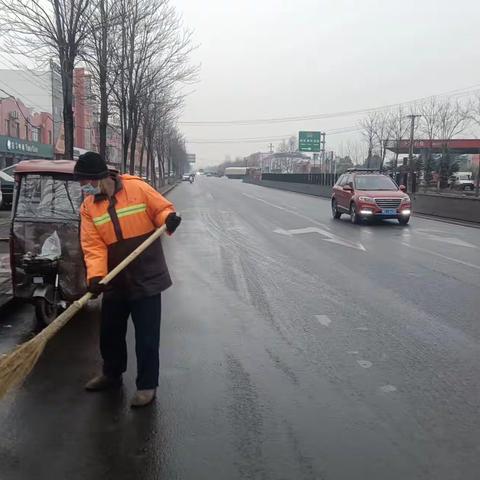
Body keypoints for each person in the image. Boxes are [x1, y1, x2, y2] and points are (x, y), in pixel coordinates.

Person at [74, 152, 181, 407]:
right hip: (116, 277)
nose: (85, 188)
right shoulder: (89, 206)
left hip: (146, 273)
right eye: (83, 183)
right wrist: (97, 276)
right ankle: (111, 374)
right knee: (110, 332)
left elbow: (161, 210)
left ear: (101, 177)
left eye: (88, 182)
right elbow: (93, 245)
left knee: (146, 336)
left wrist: (168, 219)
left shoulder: (137, 188)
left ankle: (146, 386)